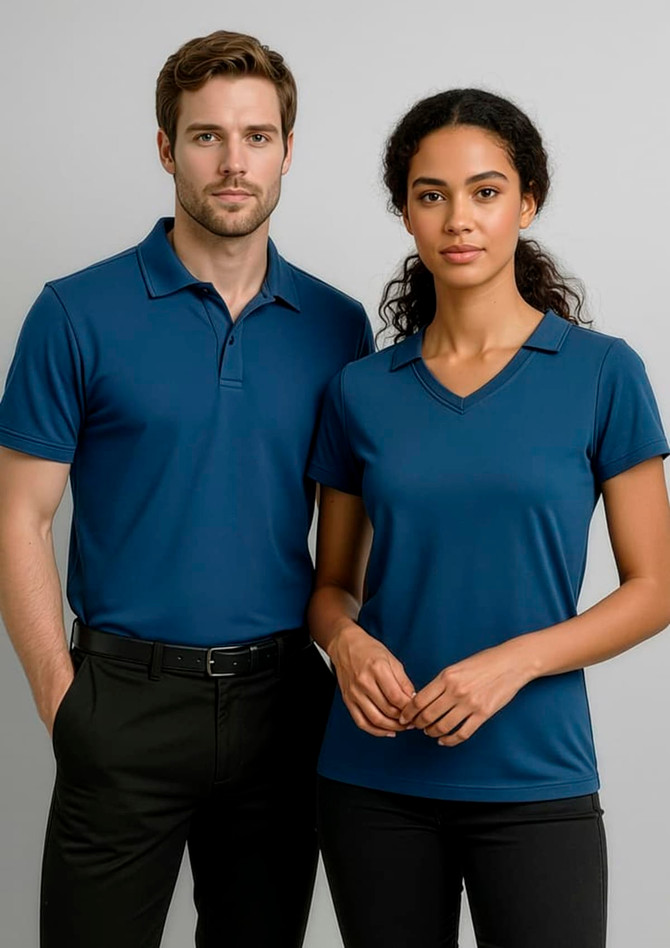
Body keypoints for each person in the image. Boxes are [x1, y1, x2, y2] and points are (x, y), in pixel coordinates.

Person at [0, 29, 372, 948]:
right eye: (207, 136)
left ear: (289, 149)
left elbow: (348, 538)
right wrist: (63, 700)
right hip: (123, 699)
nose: (233, 161)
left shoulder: (338, 326)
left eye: (257, 136)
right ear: (167, 149)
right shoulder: (73, 312)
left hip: (282, 704)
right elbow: (20, 513)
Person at [307, 88, 670, 948]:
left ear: (526, 202)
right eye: (431, 195)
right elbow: (331, 587)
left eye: (485, 190)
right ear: (406, 212)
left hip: (536, 776)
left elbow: (654, 589)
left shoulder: (601, 374)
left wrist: (511, 665)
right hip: (372, 782)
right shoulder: (360, 390)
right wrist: (346, 642)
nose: (458, 219)